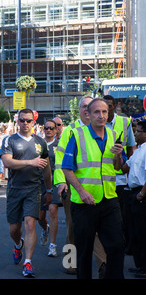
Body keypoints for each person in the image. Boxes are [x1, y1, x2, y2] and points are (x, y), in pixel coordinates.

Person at [62, 98, 126, 279]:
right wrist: (82, 192)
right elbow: (66, 168)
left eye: (104, 112)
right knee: (84, 250)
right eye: (97, 112)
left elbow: (117, 167)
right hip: (84, 203)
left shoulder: (113, 135)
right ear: (88, 115)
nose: (101, 115)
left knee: (116, 245)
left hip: (109, 199)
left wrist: (119, 156)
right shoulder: (77, 135)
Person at [0, 108, 52, 277]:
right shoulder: (9, 140)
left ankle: (28, 262)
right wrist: (31, 162)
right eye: (22, 120)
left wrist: (49, 189)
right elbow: (7, 162)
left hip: (34, 189)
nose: (25, 123)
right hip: (15, 188)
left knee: (30, 224)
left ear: (33, 122)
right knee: (14, 228)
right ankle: (18, 245)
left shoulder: (40, 142)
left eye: (28, 120)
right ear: (17, 121)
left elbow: (46, 168)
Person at [54, 95, 92, 275]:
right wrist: (61, 182)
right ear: (79, 110)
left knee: (98, 229)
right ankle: (70, 261)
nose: (87, 110)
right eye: (84, 106)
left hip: (96, 189)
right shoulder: (71, 130)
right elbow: (60, 158)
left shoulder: (101, 130)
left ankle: (102, 263)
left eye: (89, 106)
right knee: (72, 226)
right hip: (73, 188)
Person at [103, 94, 136, 255]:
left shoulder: (124, 122)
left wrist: (130, 171)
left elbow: (131, 149)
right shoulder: (97, 123)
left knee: (120, 215)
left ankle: (120, 245)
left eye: (109, 106)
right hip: (101, 179)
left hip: (120, 178)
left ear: (115, 106)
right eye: (104, 106)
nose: (106, 110)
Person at [123, 120, 146, 278]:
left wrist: (141, 194)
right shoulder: (138, 151)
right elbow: (125, 167)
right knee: (135, 232)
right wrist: (118, 154)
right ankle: (140, 265)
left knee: (143, 232)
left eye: (138, 131)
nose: (135, 134)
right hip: (133, 193)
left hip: (141, 195)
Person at [37, 119, 62, 257]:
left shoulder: (59, 145)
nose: (49, 130)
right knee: (40, 216)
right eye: (46, 128)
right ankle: (45, 229)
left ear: (56, 130)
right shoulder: (37, 143)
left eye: (51, 128)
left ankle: (52, 245)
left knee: (52, 210)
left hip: (54, 180)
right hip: (39, 181)